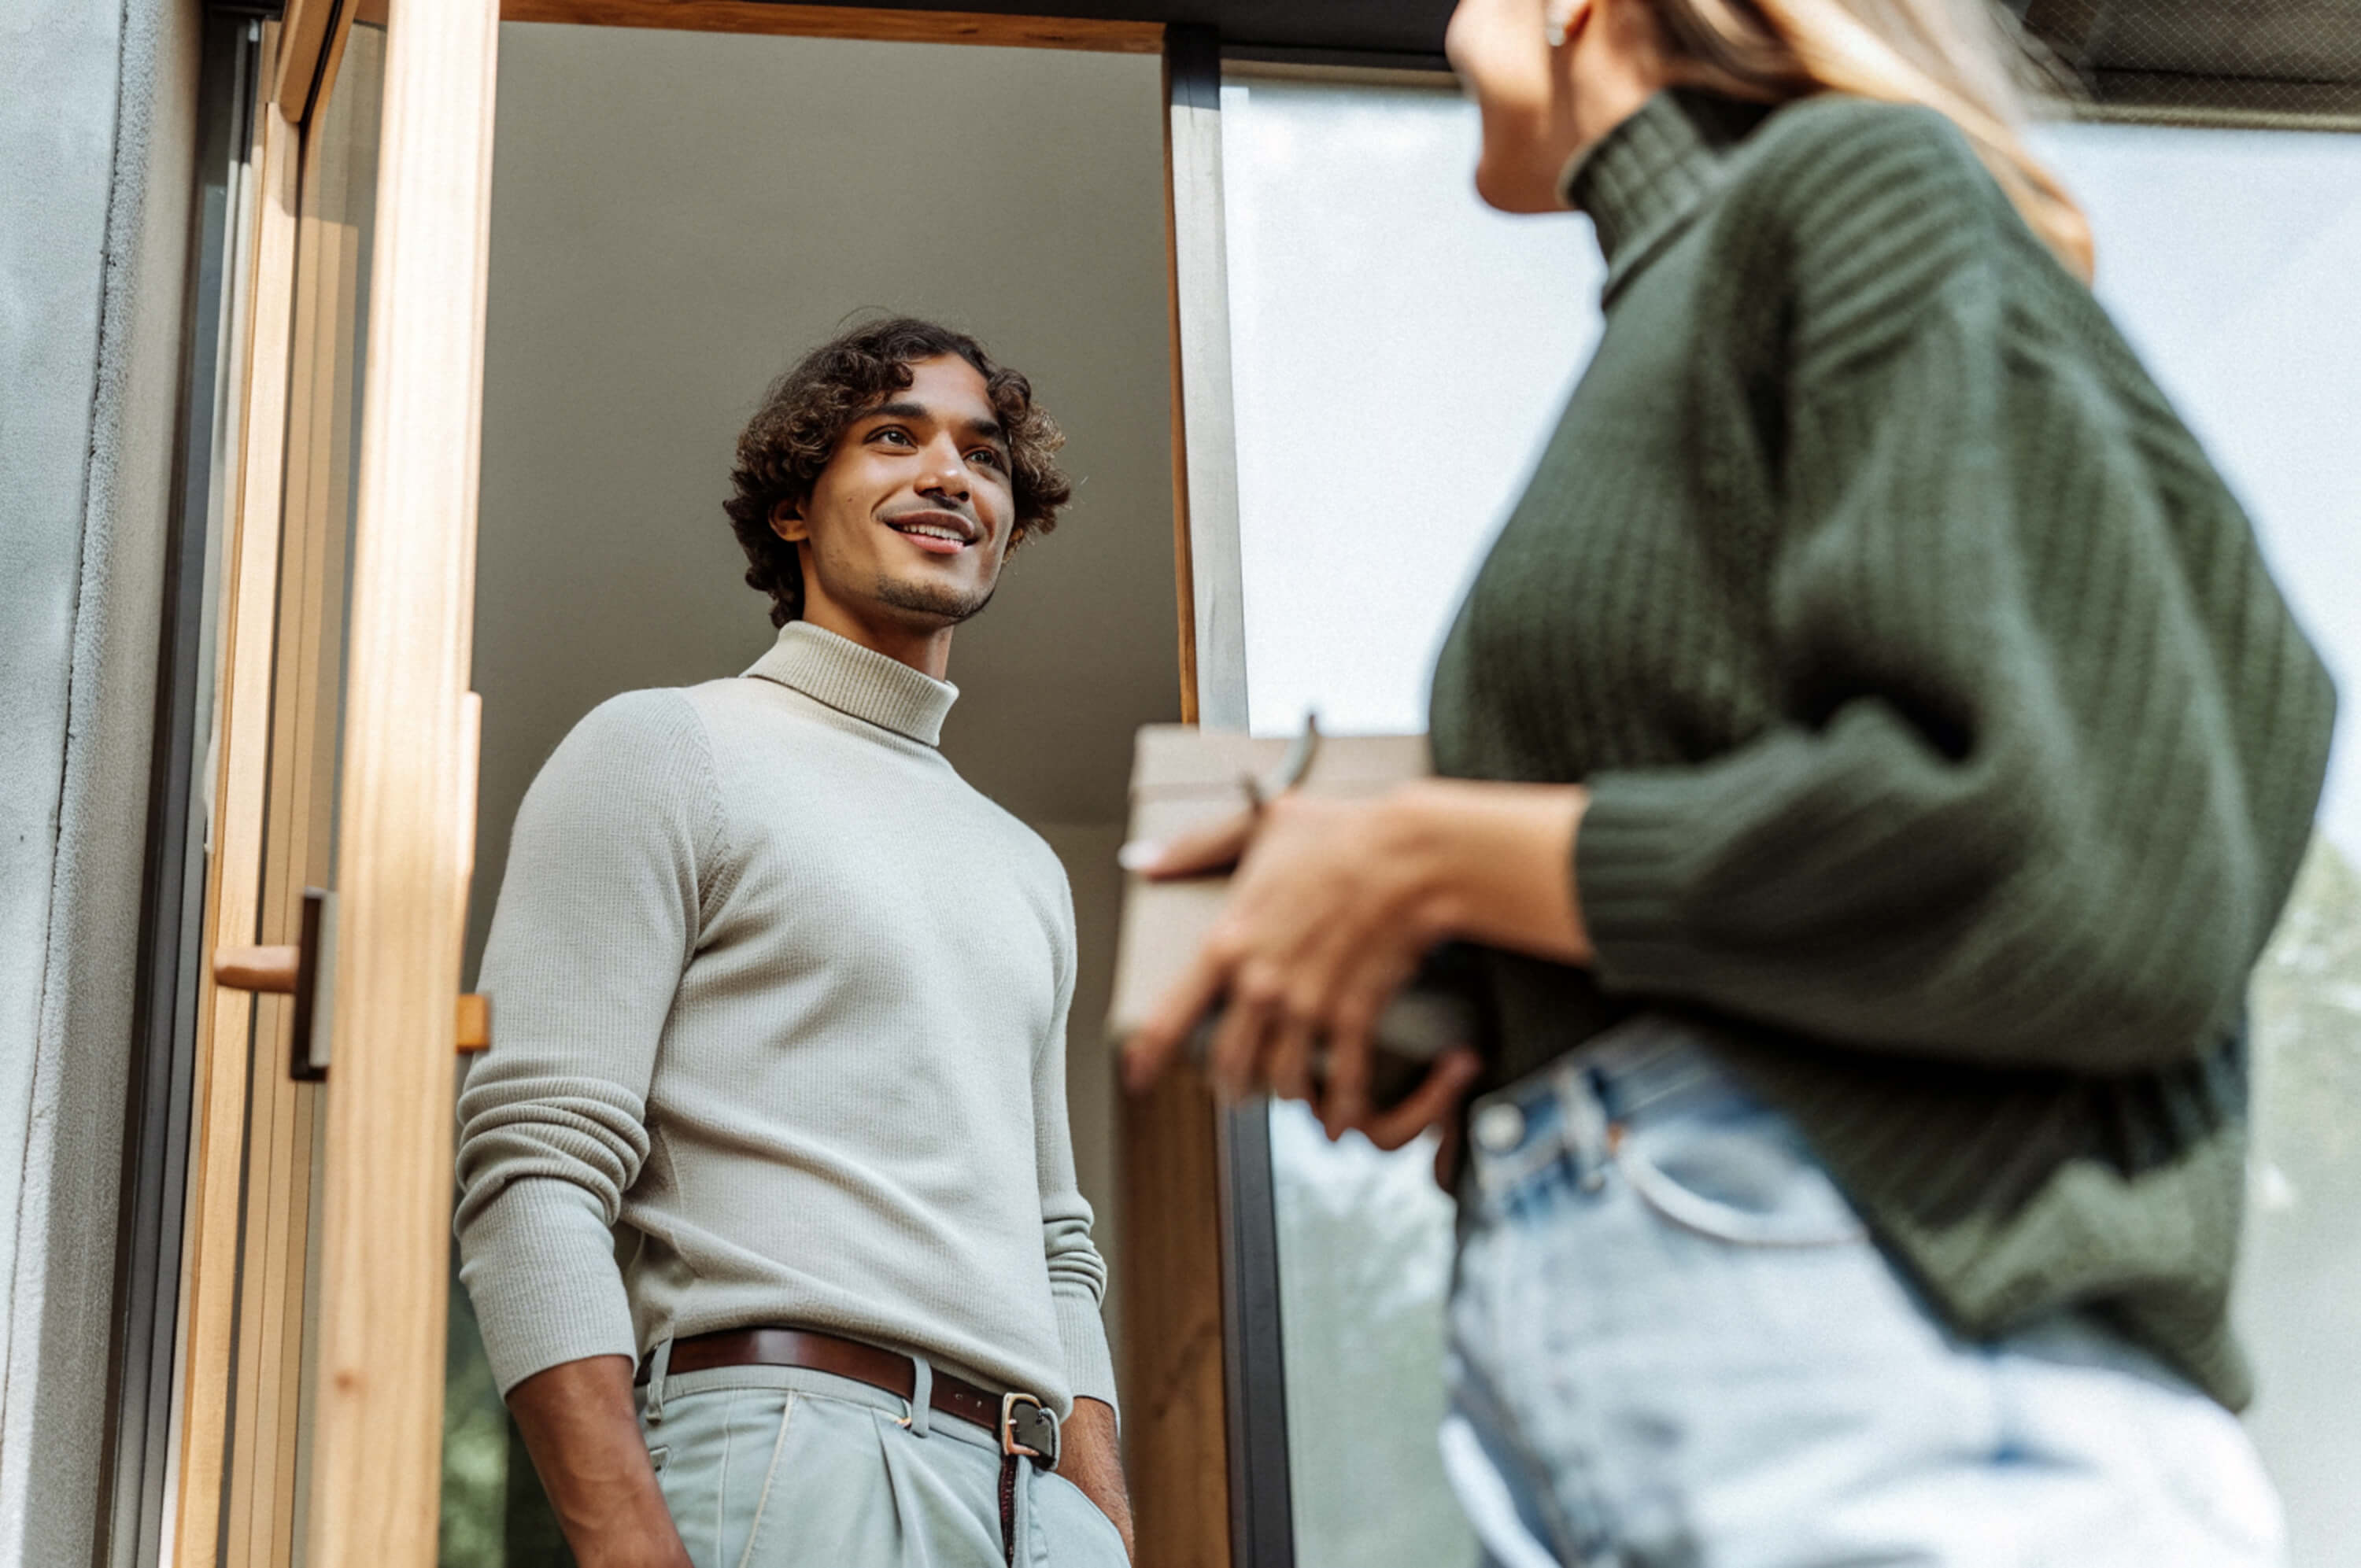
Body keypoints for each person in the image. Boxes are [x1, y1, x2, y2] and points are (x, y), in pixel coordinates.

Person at [1124, 0, 2337, 1562]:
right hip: (1688, 1389)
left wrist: (1432, 859)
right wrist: (1488, 1012)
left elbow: (2076, 849)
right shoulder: (1665, 324)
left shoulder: (1855, 184)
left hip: (1888, 1373)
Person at [456, 317, 1132, 1568]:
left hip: (1039, 1507)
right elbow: (533, 1171)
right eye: (894, 436)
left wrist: (1100, 1530)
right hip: (792, 1455)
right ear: (790, 507)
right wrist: (625, 1542)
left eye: (985, 457)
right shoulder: (665, 750)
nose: (949, 475)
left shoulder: (1025, 867)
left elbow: (1055, 1247)